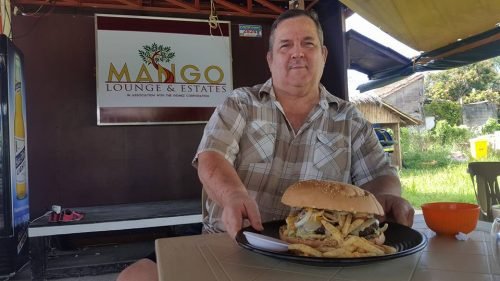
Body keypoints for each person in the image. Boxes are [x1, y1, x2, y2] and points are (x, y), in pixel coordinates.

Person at [116, 8, 414, 281]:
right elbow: (212, 157)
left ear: (323, 54)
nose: (297, 53)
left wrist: (384, 198)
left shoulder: (349, 118)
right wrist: (233, 196)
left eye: (307, 44)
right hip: (233, 243)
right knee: (134, 277)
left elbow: (380, 175)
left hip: (319, 257)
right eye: (286, 45)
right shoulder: (241, 103)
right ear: (271, 59)